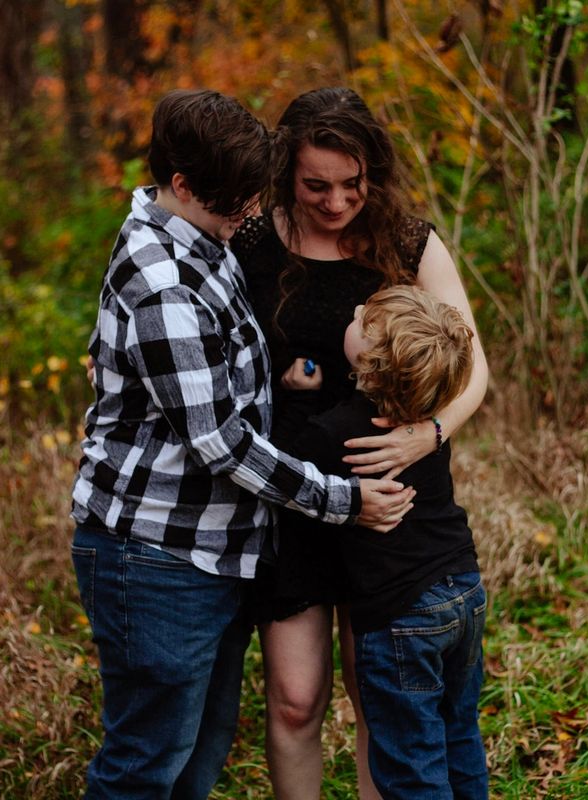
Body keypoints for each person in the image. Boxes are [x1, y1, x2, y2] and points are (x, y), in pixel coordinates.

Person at [70, 88, 413, 800]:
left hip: (214, 552)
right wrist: (345, 501)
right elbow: (221, 444)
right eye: (234, 205)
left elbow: (227, 364)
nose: (249, 217)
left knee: (195, 761)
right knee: (144, 766)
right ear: (181, 184)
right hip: (156, 555)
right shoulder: (160, 280)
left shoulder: (203, 238)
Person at [230, 86, 488, 799]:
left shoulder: (408, 241)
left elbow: (473, 364)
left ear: (373, 171)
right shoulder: (251, 239)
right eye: (317, 186)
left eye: (352, 184)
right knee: (294, 696)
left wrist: (427, 434)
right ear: (287, 172)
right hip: (296, 493)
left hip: (391, 505)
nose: (337, 201)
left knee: (383, 690)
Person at [275, 285, 488, 798]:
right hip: (463, 589)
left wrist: (296, 392)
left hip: (402, 614)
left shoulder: (336, 435)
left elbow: (283, 476)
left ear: (369, 362)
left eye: (364, 319)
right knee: (458, 733)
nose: (352, 310)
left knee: (412, 763)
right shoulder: (424, 422)